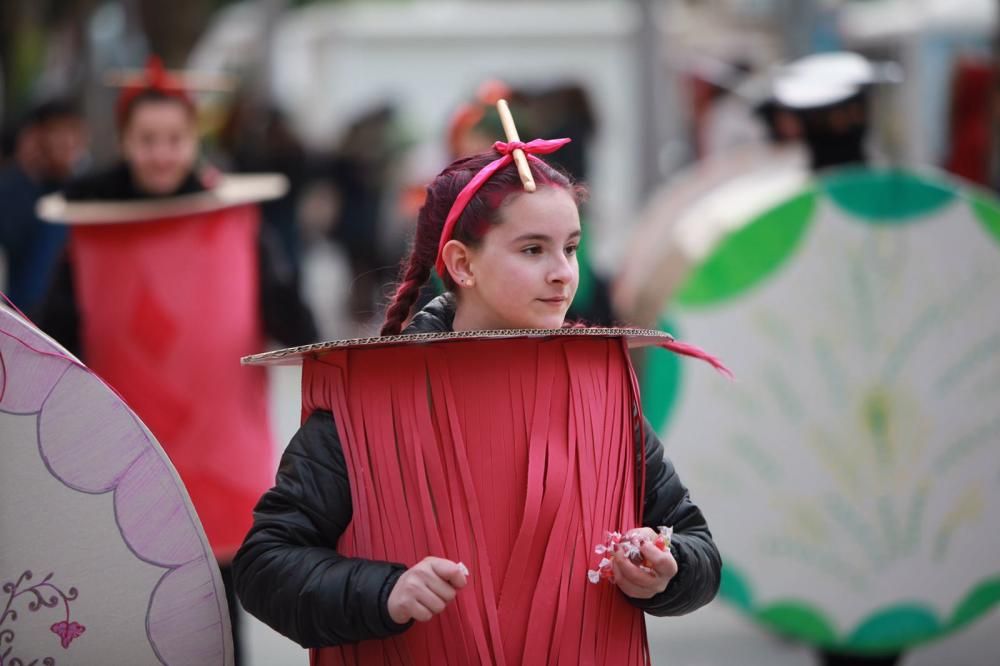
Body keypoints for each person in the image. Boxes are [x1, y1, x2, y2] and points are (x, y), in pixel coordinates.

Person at [234, 132, 722, 663]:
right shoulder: (370, 400)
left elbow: (695, 544)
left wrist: (665, 571)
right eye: (533, 249)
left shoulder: (600, 391)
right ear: (462, 264)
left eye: (572, 247)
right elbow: (265, 564)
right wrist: (383, 591)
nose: (563, 272)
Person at [35, 56, 316, 666]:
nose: (161, 153)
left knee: (219, 605)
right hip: (128, 444)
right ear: (127, 142)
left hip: (219, 441)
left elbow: (289, 313)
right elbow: (54, 338)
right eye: (148, 140)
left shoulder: (237, 221)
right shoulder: (90, 227)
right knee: (133, 606)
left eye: (174, 140)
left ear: (194, 141)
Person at [0, 98, 86, 314]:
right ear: (37, 137)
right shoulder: (17, 191)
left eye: (73, 131)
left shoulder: (85, 193)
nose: (68, 142)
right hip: (27, 325)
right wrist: (25, 174)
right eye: (58, 132)